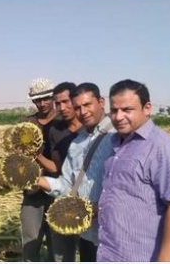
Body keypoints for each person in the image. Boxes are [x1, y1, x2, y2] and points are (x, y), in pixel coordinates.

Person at [97, 79, 170, 261]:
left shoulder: (163, 147)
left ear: (147, 108)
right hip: (110, 254)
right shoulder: (114, 144)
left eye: (127, 110)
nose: (118, 117)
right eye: (114, 110)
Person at [38, 82, 116, 262]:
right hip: (87, 233)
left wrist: (101, 207)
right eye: (78, 107)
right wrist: (37, 180)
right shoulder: (76, 144)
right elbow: (67, 185)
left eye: (87, 105)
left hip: (113, 234)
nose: (83, 112)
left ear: (101, 102)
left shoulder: (118, 134)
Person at [39, 82, 83, 262]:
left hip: (88, 200)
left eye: (67, 101)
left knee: (90, 250)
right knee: (61, 253)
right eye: (58, 104)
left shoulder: (91, 130)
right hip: (60, 194)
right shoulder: (53, 129)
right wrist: (37, 158)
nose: (62, 108)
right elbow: (55, 168)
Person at [21, 78, 59, 261]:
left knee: (58, 241)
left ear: (53, 97)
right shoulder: (27, 123)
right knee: (30, 238)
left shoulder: (63, 121)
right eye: (37, 100)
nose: (42, 103)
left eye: (46, 98)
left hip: (60, 189)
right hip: (32, 190)